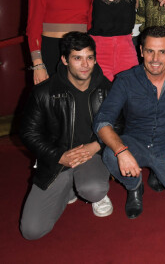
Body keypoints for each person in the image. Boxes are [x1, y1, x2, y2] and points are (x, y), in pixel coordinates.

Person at [94, 26, 165, 219]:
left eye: (162, 52)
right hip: (135, 143)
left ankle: (157, 173)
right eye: (150, 51)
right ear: (141, 51)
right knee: (111, 154)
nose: (155, 59)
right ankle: (134, 187)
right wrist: (121, 150)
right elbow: (102, 121)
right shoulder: (125, 80)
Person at [20, 32, 113, 240]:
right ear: (64, 60)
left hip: (92, 157)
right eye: (77, 58)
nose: (85, 65)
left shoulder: (106, 89)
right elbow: (28, 133)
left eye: (89, 57)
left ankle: (86, 188)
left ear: (95, 58)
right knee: (31, 231)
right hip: (57, 160)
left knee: (94, 189)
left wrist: (96, 145)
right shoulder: (44, 92)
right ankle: (68, 188)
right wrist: (58, 156)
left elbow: (122, 124)